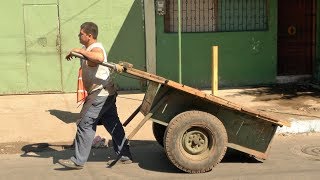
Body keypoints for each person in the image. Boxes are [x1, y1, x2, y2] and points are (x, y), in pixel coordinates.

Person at [58, 22, 132, 169]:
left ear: (89, 35)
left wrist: (78, 50)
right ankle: (125, 154)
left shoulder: (95, 48)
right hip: (106, 92)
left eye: (81, 34)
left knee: (84, 123)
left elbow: (98, 58)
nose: (79, 36)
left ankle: (78, 161)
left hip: (100, 93)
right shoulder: (88, 48)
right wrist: (77, 52)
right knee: (112, 123)